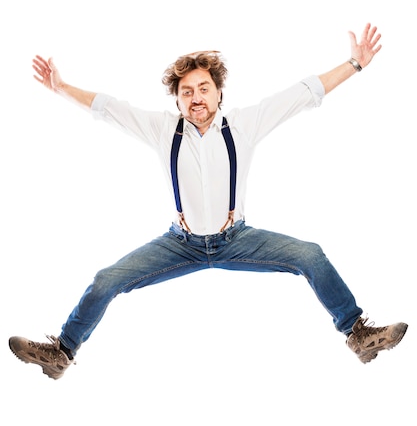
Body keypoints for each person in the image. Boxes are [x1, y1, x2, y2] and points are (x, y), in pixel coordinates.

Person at [9, 23, 408, 379]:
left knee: (311, 255)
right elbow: (107, 108)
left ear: (219, 93)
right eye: (187, 92)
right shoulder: (163, 130)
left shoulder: (244, 125)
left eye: (203, 89)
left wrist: (353, 64)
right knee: (106, 280)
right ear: (178, 100)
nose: (196, 97)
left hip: (237, 239)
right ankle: (62, 352)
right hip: (178, 245)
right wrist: (60, 87)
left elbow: (303, 94)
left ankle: (357, 334)